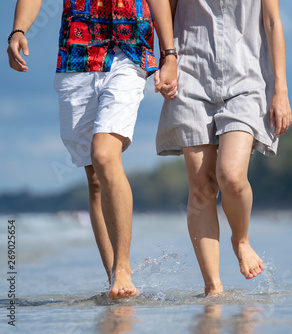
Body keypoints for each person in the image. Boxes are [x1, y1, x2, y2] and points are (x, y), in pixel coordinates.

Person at [7, 0, 178, 300]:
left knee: (104, 154)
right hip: (77, 52)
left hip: (129, 48)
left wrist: (170, 53)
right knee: (95, 176)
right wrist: (18, 30)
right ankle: (114, 276)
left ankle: (123, 267)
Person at [156, 0, 292, 296]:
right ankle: (213, 288)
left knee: (230, 174)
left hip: (247, 77)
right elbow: (166, 8)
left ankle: (240, 240)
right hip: (191, 76)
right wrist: (167, 57)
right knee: (201, 187)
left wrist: (280, 89)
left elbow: (272, 22)